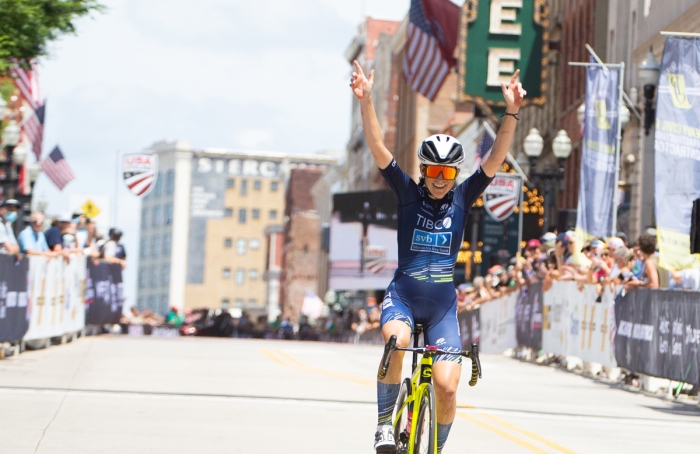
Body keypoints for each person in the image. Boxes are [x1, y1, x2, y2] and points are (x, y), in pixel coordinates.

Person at [350, 59, 525, 453]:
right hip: (404, 299)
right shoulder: (408, 193)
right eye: (435, 173)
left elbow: (495, 158)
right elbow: (379, 147)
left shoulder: (464, 197)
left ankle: (436, 449)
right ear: (425, 171)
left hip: (443, 306)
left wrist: (511, 110)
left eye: (449, 175)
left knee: (446, 387)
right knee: (397, 342)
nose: (442, 181)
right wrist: (366, 100)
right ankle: (383, 426)